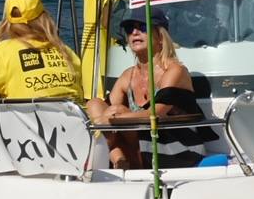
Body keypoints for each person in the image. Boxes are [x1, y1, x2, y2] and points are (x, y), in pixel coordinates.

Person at [86, 9, 215, 169]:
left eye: (143, 27)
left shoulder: (175, 71)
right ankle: (119, 160)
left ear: (161, 37)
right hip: (139, 149)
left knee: (117, 110)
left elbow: (154, 114)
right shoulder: (128, 76)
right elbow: (104, 111)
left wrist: (112, 119)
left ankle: (122, 164)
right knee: (94, 104)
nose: (134, 32)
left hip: (176, 149)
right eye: (129, 29)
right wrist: (108, 119)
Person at [0, 0, 83, 102]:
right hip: (76, 118)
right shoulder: (65, 50)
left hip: (31, 119)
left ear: (8, 21)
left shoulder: (4, 51)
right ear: (44, 17)